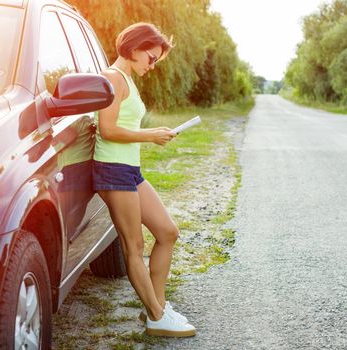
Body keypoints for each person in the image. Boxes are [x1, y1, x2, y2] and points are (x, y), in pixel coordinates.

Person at [92, 22, 196, 338]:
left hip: (130, 170)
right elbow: (107, 129)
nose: (152, 66)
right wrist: (150, 135)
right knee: (133, 246)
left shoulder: (126, 80)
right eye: (151, 58)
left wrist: (151, 136)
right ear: (135, 48)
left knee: (168, 232)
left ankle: (158, 309)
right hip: (113, 170)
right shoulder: (112, 78)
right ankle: (156, 315)